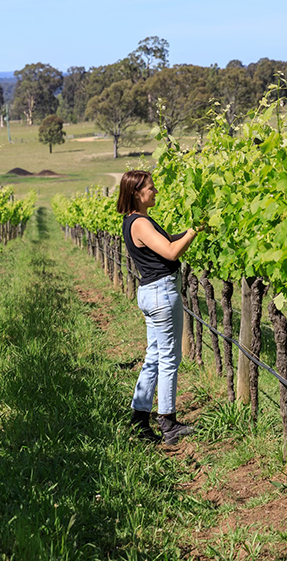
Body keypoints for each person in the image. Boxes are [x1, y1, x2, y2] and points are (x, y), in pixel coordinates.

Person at [119, 169, 202, 444]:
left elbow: (165, 243)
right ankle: (168, 422)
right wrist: (193, 232)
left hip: (151, 293)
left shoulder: (133, 221)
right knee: (169, 358)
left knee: (154, 356)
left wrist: (190, 231)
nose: (155, 191)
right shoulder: (140, 223)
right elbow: (170, 252)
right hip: (162, 294)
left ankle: (139, 419)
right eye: (151, 188)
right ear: (136, 193)